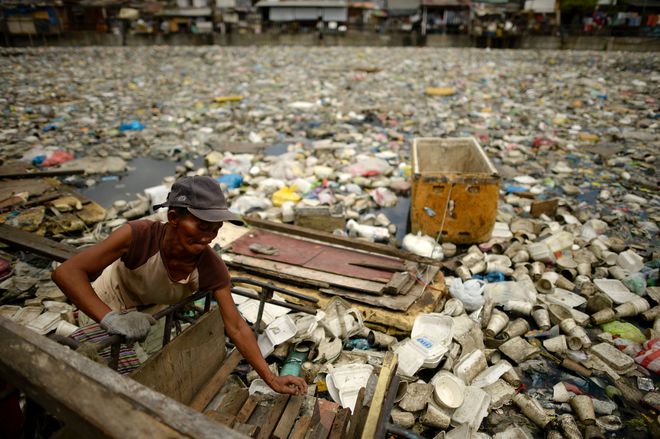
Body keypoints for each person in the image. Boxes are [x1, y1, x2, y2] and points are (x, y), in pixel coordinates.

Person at [52, 176, 307, 396]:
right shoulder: (139, 236)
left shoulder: (210, 267)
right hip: (107, 303)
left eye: (215, 229)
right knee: (102, 376)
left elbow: (237, 326)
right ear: (173, 217)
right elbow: (67, 273)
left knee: (149, 375)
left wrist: (271, 379)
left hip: (153, 313)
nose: (208, 237)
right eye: (202, 226)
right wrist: (110, 318)